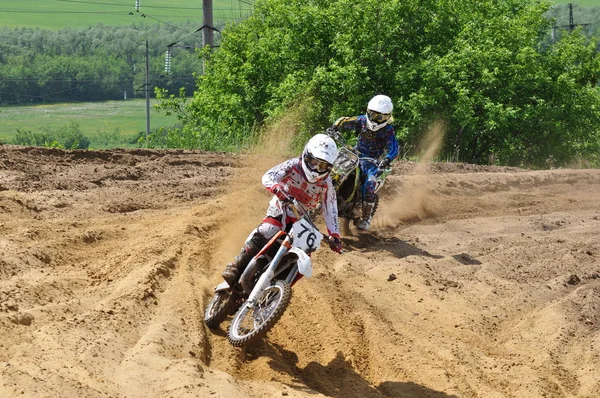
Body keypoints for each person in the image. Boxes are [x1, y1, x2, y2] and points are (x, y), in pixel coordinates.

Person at [221, 133, 343, 286]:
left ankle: (275, 291)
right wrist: (278, 189)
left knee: (304, 256)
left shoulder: (327, 184)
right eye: (314, 162)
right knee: (268, 229)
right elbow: (269, 176)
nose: (317, 169)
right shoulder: (293, 165)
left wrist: (335, 235)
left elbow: (331, 209)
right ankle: (236, 266)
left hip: (302, 219)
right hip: (281, 207)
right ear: (306, 155)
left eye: (323, 166)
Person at [330, 94, 399, 231]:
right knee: (333, 164)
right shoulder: (362, 120)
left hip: (372, 162)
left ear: (387, 116)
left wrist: (387, 159)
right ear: (368, 111)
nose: (376, 119)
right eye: (373, 114)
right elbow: (345, 120)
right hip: (356, 153)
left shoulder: (388, 130)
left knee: (369, 183)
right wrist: (335, 127)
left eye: (381, 117)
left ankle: (366, 218)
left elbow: (394, 148)